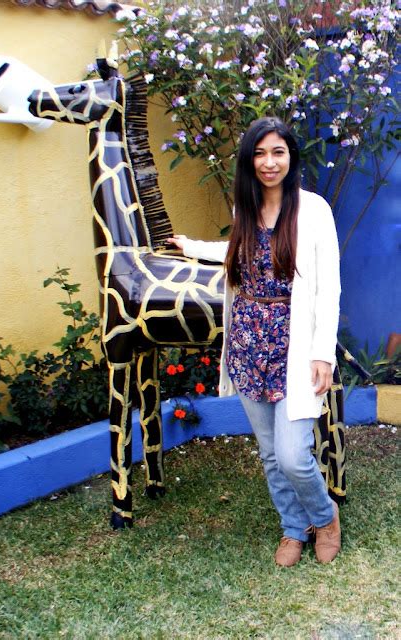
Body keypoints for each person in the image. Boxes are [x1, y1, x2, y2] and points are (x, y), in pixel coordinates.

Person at [167, 117, 341, 567]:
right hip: (249, 344)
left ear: (291, 157)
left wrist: (323, 351)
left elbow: (330, 287)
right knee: (269, 452)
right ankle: (292, 527)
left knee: (293, 455)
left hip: (294, 346)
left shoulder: (314, 210)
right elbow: (238, 255)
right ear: (249, 160)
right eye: (260, 153)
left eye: (278, 152)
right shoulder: (244, 209)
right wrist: (192, 246)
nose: (269, 162)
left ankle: (325, 517)